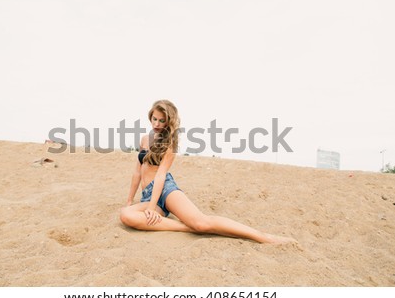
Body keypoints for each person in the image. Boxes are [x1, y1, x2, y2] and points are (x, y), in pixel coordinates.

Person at [119, 100, 296, 244]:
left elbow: (160, 174)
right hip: (149, 196)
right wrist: (129, 200)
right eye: (154, 119)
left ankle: (262, 236)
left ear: (168, 122)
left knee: (202, 223)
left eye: (161, 120)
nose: (157, 124)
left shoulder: (169, 144)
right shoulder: (144, 139)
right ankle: (186, 227)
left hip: (164, 189)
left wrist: (150, 208)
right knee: (127, 215)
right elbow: (137, 172)